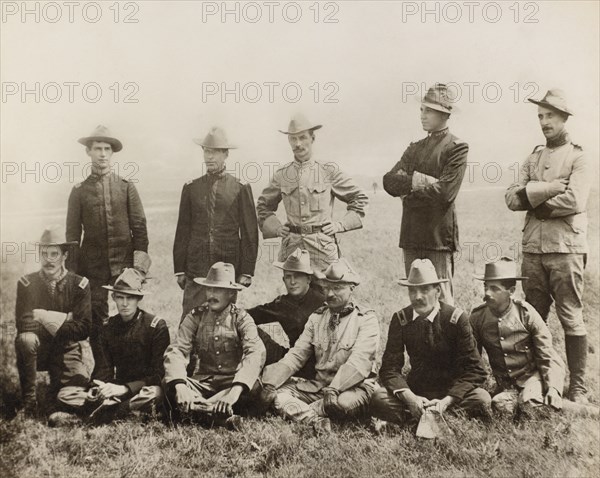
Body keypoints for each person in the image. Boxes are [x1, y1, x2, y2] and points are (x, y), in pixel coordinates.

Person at [505, 89, 592, 404]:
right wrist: (545, 190)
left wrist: (534, 199)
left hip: (565, 249)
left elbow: (575, 200)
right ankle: (538, 379)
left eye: (550, 116)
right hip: (533, 251)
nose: (544, 122)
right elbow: (512, 198)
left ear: (564, 118)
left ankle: (578, 387)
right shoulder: (533, 156)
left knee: (571, 316)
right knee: (533, 316)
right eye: (540, 116)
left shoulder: (578, 157)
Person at [259, 259, 380, 432]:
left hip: (354, 387)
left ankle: (305, 412)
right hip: (319, 387)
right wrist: (271, 383)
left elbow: (360, 363)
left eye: (337, 288)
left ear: (351, 288)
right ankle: (315, 420)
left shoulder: (366, 319)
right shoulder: (317, 317)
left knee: (342, 404)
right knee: (277, 394)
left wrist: (334, 389)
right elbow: (296, 355)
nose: (330, 294)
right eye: (326, 288)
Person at [370, 259, 491, 430]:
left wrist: (446, 401)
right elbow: (389, 369)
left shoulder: (456, 318)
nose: (418, 296)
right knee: (378, 397)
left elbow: (476, 369)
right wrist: (411, 399)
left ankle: (417, 420)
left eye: (425, 290)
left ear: (437, 290)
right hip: (416, 393)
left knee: (482, 398)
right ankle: (432, 418)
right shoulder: (401, 319)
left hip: (450, 394)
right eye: (412, 290)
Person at [66, 125, 150, 366]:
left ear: (112, 154)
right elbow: (72, 236)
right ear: (88, 153)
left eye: (106, 149)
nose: (102, 154)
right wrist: (73, 276)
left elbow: (140, 229)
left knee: (129, 316)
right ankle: (102, 370)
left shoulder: (126, 187)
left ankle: (130, 370)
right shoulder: (79, 192)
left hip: (125, 268)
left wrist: (138, 270)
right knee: (97, 322)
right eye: (97, 149)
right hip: (92, 271)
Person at [382, 84, 469, 305]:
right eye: (421, 109)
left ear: (444, 114)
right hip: (412, 237)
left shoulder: (456, 148)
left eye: (428, 110)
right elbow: (389, 181)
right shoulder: (414, 148)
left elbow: (445, 193)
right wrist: (420, 182)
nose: (422, 115)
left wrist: (408, 194)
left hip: (437, 238)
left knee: (443, 301)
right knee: (417, 301)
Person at [256, 114, 369, 271]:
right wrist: (276, 228)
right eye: (293, 139)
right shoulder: (282, 174)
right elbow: (263, 205)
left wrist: (340, 225)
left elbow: (360, 198)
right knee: (295, 292)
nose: (298, 144)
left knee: (326, 293)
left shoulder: (328, 170)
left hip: (322, 249)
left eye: (302, 138)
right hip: (292, 249)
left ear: (312, 138)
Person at [163, 262, 265, 430]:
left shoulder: (242, 319)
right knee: (169, 386)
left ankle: (196, 412)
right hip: (204, 384)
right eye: (209, 289)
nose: (211, 295)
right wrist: (181, 385)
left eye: (218, 290)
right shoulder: (195, 317)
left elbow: (254, 354)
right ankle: (220, 417)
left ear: (231, 293)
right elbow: (177, 350)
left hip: (232, 383)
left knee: (254, 389)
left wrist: (233, 393)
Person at [173, 127, 259, 318]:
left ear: (226, 154)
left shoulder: (240, 188)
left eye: (215, 151)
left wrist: (247, 270)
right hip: (196, 267)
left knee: (224, 321)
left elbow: (249, 233)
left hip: (226, 268)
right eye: (206, 151)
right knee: (190, 319)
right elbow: (182, 231)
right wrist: (179, 269)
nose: (209, 157)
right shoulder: (191, 188)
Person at [14, 225, 93, 424]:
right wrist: (65, 319)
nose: (49, 259)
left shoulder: (79, 284)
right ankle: (29, 404)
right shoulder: (27, 284)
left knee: (74, 397)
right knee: (25, 339)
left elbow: (83, 328)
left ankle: (58, 403)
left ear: (64, 255)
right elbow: (23, 324)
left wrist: (43, 317)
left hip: (68, 349)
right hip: (40, 350)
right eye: (44, 254)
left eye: (54, 254)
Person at [469, 257, 565, 416]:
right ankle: (532, 403)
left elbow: (547, 355)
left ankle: (553, 403)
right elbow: (472, 358)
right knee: (499, 406)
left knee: (529, 403)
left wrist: (553, 388)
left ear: (511, 291)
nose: (487, 293)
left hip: (535, 376)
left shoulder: (526, 314)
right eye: (485, 287)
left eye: (494, 288)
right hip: (507, 385)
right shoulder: (478, 317)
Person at [87, 268, 170, 421]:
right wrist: (98, 387)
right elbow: (103, 369)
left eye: (130, 298)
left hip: (143, 387)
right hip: (117, 386)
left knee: (155, 393)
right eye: (120, 297)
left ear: (139, 299)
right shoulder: (107, 327)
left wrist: (125, 389)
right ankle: (121, 410)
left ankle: (114, 411)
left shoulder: (155, 326)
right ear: (113, 297)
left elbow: (158, 374)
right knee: (72, 395)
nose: (124, 304)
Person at [246, 248, 325, 378]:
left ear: (308, 279)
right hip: (293, 362)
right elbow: (251, 315)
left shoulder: (323, 301)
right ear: (283, 280)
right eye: (288, 277)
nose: (292, 282)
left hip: (323, 364)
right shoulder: (282, 304)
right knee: (246, 325)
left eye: (297, 276)